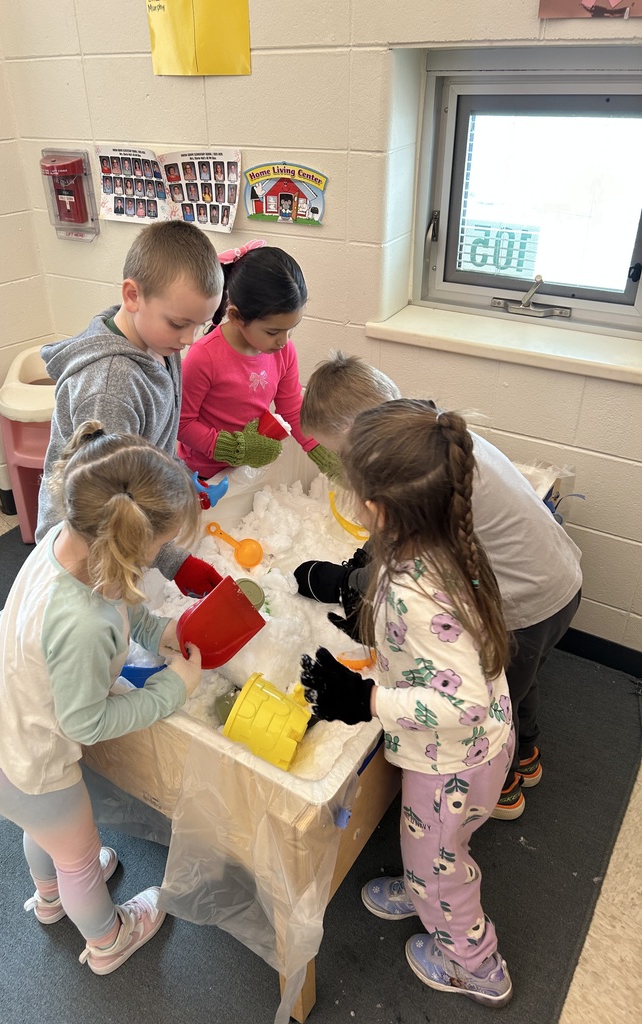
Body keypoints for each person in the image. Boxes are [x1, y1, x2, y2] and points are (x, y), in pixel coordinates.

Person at [0, 422, 203, 976]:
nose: (157, 557)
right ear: (126, 545)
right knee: (79, 858)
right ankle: (108, 940)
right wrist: (171, 690)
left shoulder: (62, 543)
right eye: (159, 547)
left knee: (45, 836)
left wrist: (153, 631)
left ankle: (49, 898)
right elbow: (87, 721)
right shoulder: (85, 623)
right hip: (34, 770)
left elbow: (118, 596)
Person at [295, 352, 582, 819]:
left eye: (344, 455)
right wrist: (363, 562)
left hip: (524, 605)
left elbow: (411, 564)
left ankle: (499, 787)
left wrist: (348, 582)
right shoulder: (435, 439)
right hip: (558, 581)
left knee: (497, 694)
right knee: (520, 684)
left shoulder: (426, 488)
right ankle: (527, 753)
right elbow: (397, 532)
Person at [300, 400, 515, 1006]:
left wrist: (368, 698)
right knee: (437, 846)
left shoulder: (422, 586)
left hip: (455, 759)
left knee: (442, 860)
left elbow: (463, 701)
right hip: (469, 751)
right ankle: (425, 876)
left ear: (382, 509)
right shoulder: (443, 543)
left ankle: (474, 962)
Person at [36, 220, 225, 599]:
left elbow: (154, 442)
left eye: (199, 326)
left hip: (126, 537)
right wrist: (172, 559)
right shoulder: (111, 389)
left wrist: (177, 477)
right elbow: (113, 507)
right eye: (179, 324)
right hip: (89, 552)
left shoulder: (157, 343)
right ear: (133, 296)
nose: (188, 340)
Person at [177, 242, 340, 480]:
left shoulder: (283, 352)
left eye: (291, 329)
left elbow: (291, 409)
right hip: (201, 474)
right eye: (273, 332)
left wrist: (319, 450)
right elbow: (182, 424)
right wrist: (233, 448)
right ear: (236, 317)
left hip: (246, 469)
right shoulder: (204, 357)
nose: (283, 341)